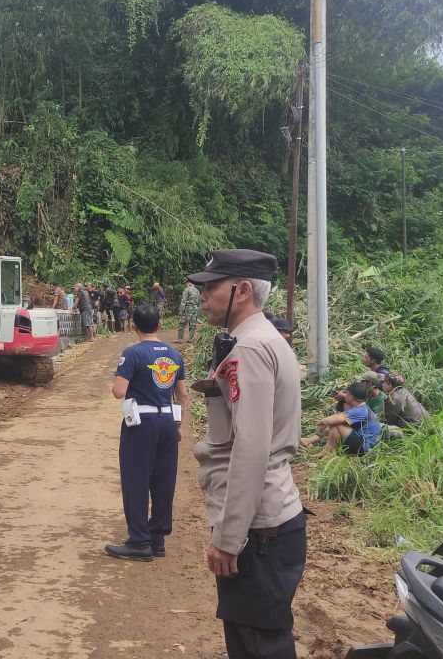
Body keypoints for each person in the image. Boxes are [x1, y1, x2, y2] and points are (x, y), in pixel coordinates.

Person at [189, 249, 306, 659]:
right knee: (255, 639)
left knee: (258, 644)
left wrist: (228, 537)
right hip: (266, 523)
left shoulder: (250, 349)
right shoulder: (259, 340)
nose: (202, 295)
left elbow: (251, 449)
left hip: (259, 532)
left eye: (210, 287)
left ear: (240, 291)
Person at [105, 304, 187, 562]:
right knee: (163, 480)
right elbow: (182, 393)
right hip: (167, 420)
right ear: (160, 325)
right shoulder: (174, 355)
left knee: (136, 480)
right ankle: (157, 538)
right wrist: (178, 424)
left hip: (141, 422)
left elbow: (119, 391)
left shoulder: (132, 354)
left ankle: (139, 540)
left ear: (134, 326)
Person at [300, 381, 381, 458]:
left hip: (365, 447)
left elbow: (332, 420)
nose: (344, 395)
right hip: (363, 441)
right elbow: (338, 416)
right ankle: (327, 452)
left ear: (350, 397)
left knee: (336, 424)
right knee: (337, 423)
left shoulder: (360, 411)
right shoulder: (362, 407)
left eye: (346, 394)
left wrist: (321, 423)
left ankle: (328, 453)